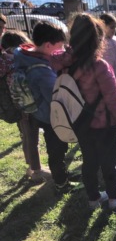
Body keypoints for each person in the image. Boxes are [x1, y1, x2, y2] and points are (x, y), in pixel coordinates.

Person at [52, 14, 116, 209]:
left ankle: (94, 198)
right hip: (104, 124)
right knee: (109, 162)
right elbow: (114, 101)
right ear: (97, 39)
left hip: (80, 123)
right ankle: (114, 197)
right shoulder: (100, 67)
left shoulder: (63, 64)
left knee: (88, 161)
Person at [13, 21, 72, 191]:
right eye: (59, 47)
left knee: (56, 148)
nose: (61, 50)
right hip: (49, 116)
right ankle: (61, 182)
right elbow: (56, 97)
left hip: (37, 112)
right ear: (48, 45)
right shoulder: (42, 71)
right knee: (57, 149)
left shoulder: (24, 53)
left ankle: (62, 174)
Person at [1, 30, 50, 182]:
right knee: (32, 138)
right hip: (28, 106)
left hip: (16, 105)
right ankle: (36, 171)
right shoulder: (19, 60)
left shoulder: (5, 61)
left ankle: (31, 166)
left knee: (26, 136)